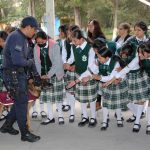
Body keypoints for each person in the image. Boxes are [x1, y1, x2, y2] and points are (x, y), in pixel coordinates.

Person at [0, 16, 41, 142]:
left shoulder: (21, 37)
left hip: (16, 74)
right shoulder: (17, 37)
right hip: (14, 75)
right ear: (28, 27)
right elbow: (18, 60)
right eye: (34, 29)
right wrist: (30, 63)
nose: (35, 32)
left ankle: (7, 126)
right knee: (22, 103)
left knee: (19, 102)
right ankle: (25, 133)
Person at [66, 29, 98, 127]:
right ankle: (85, 116)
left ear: (81, 39)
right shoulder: (74, 46)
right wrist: (67, 63)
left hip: (88, 75)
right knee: (81, 98)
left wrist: (80, 79)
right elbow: (73, 58)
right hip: (78, 74)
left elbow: (90, 67)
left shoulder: (90, 49)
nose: (73, 43)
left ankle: (93, 117)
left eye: (75, 40)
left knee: (91, 98)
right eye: (72, 41)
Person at [92, 47, 128, 130]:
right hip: (106, 83)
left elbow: (111, 78)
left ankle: (119, 118)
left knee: (117, 102)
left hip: (116, 83)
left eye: (100, 58)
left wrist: (99, 78)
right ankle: (105, 121)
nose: (99, 59)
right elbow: (94, 70)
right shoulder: (100, 61)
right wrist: (92, 75)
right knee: (105, 102)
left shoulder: (115, 63)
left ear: (107, 58)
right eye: (98, 57)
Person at [34, 30, 65, 125]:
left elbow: (57, 62)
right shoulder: (36, 47)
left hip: (55, 74)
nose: (40, 44)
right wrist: (41, 75)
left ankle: (60, 116)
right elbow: (37, 62)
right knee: (47, 97)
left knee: (58, 96)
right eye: (38, 42)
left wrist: (49, 75)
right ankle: (50, 117)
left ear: (46, 39)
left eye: (42, 42)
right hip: (44, 76)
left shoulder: (54, 45)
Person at [138, 41, 150, 134]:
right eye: (138, 52)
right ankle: (139, 122)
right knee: (142, 101)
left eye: (141, 52)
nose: (139, 54)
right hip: (147, 82)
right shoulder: (142, 60)